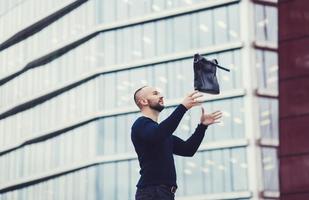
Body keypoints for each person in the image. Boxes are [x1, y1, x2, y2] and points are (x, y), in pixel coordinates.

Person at [131, 86, 222, 200]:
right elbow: (158, 134)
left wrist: (202, 127)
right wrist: (183, 107)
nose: (161, 96)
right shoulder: (140, 125)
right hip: (152, 192)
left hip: (165, 193)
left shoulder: (162, 133)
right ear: (144, 101)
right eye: (155, 93)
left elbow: (188, 149)